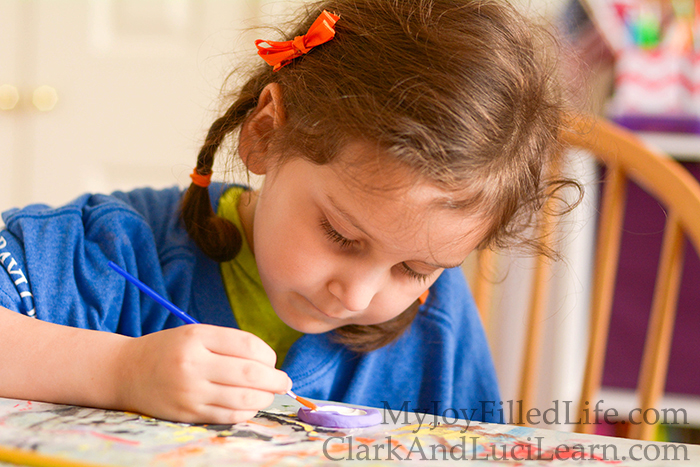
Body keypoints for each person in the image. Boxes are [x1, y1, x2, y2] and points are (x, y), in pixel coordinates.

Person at [0, 0, 579, 425]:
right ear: (266, 134)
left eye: (415, 269)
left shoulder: (437, 326)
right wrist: (119, 371)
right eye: (341, 235)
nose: (356, 297)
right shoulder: (109, 253)